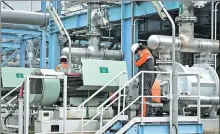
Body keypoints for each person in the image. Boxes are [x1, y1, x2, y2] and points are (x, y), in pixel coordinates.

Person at [131, 43, 155, 117]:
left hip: (146, 76)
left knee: (144, 93)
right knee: (147, 93)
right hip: (148, 76)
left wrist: (137, 60)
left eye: (136, 53)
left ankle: (145, 114)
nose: (137, 55)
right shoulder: (148, 53)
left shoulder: (145, 53)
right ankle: (148, 112)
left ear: (138, 50)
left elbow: (138, 63)